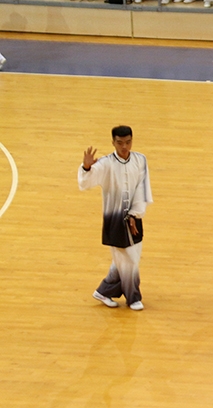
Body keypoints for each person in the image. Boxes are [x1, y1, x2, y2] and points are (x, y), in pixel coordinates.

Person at [78, 125, 153, 311]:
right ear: (113, 142)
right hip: (115, 219)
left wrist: (135, 214)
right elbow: (86, 182)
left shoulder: (140, 160)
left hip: (135, 218)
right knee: (129, 260)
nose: (124, 147)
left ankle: (104, 291)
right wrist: (86, 167)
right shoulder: (105, 164)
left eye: (128, 142)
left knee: (128, 258)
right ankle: (133, 297)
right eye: (120, 143)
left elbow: (142, 188)